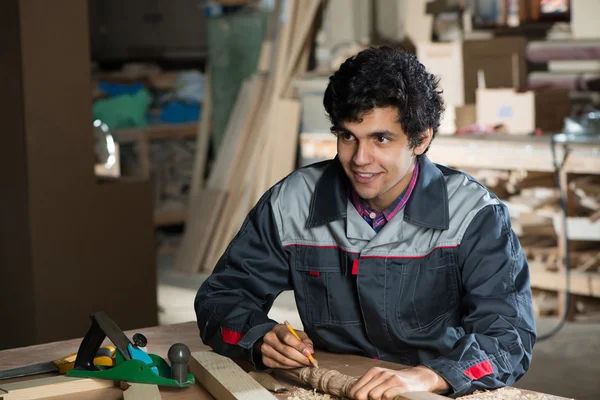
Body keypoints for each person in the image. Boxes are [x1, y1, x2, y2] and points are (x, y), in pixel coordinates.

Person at [195, 46, 536, 399]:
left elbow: (509, 337)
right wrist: (258, 336)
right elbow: (219, 299)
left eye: (381, 139)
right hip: (330, 388)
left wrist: (430, 376)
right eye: (347, 137)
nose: (359, 159)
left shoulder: (474, 214)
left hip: (434, 392)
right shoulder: (292, 202)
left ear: (421, 140)